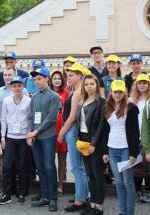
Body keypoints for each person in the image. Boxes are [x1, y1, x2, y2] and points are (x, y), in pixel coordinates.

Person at [102, 80, 140, 215]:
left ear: (124, 93)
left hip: (126, 150)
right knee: (118, 182)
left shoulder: (131, 108)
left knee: (127, 182)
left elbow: (135, 132)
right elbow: (105, 131)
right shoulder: (107, 107)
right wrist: (105, 151)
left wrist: (133, 153)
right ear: (111, 92)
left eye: (120, 92)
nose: (117, 94)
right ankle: (123, 211)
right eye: (115, 92)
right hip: (112, 149)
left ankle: (130, 212)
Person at [26, 67, 59, 212]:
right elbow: (31, 117)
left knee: (49, 167)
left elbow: (51, 119)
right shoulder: (34, 97)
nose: (37, 82)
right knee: (40, 168)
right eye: (35, 79)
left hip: (47, 137)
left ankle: (53, 199)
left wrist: (35, 132)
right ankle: (45, 197)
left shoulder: (54, 97)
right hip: (35, 138)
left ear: (47, 79)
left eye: (39, 78)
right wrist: (30, 134)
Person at [58, 63, 89, 212]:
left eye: (71, 75)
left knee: (77, 168)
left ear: (79, 75)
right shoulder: (75, 91)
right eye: (67, 75)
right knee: (79, 167)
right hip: (73, 130)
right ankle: (81, 195)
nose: (68, 77)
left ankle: (80, 200)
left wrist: (62, 132)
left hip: (72, 130)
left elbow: (71, 118)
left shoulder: (77, 93)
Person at [0, 76, 31, 205]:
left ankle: (22, 192)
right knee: (7, 166)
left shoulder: (28, 100)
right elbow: (3, 119)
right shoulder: (6, 100)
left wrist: (29, 136)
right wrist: (3, 138)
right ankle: (7, 193)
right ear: (11, 87)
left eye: (19, 85)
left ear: (23, 87)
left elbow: (30, 119)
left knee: (22, 166)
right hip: (10, 137)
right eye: (14, 86)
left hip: (23, 138)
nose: (17, 88)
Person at [76, 74, 106, 215]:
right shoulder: (83, 101)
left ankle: (99, 207)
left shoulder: (102, 102)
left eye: (92, 84)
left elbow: (101, 125)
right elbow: (79, 123)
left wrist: (93, 143)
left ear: (96, 85)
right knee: (90, 174)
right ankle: (93, 204)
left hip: (96, 141)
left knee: (97, 174)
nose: (89, 86)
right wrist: (78, 139)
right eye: (86, 84)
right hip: (83, 139)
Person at [129, 74, 150, 201]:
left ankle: (147, 191)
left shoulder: (149, 100)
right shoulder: (132, 100)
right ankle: (137, 191)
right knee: (136, 166)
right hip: (135, 137)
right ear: (136, 85)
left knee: (147, 166)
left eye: (145, 83)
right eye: (140, 83)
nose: (142, 85)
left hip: (147, 137)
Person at [49, 70, 69, 196]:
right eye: (54, 78)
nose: (57, 80)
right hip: (49, 127)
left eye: (59, 78)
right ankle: (51, 183)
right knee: (50, 158)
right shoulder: (48, 93)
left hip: (62, 126)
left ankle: (60, 184)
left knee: (62, 158)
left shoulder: (66, 93)